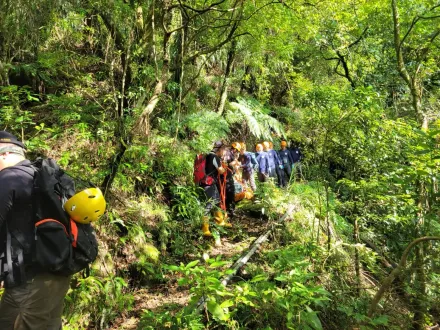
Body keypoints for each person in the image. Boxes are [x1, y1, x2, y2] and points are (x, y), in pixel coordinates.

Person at [0, 130, 71, 329]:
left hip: (31, 279)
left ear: (4, 154)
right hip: (56, 271)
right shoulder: (40, 175)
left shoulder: (8, 178)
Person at [200, 141, 226, 237]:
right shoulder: (214, 157)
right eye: (224, 149)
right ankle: (205, 229)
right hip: (208, 183)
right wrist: (224, 168)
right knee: (208, 205)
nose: (224, 152)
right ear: (220, 149)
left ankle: (220, 221)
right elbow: (220, 170)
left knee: (217, 201)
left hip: (206, 182)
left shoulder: (207, 155)